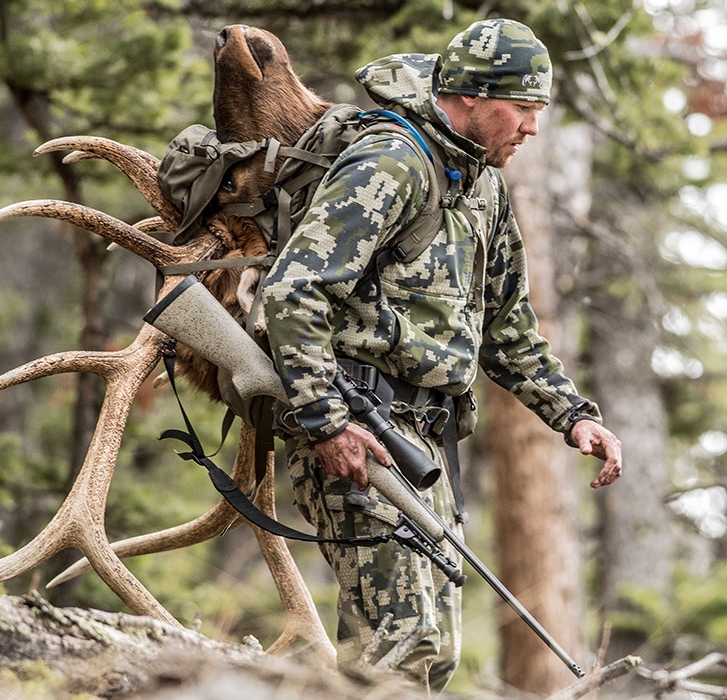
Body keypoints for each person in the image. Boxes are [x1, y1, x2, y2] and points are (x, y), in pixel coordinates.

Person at [259, 18, 623, 687]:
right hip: (358, 426)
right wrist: (328, 421)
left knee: (436, 652)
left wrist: (573, 414)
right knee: (400, 649)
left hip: (424, 445)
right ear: (476, 96)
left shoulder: (484, 186)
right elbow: (295, 290)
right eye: (525, 109)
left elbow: (509, 329)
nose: (533, 128)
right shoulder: (390, 162)